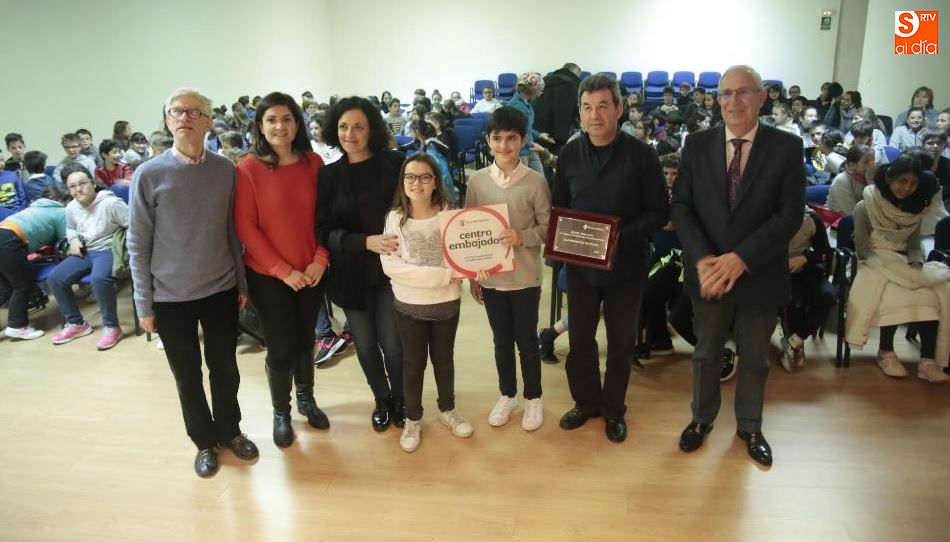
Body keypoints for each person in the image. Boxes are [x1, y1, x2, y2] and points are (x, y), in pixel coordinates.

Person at [672, 65, 805, 467]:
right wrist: (703, 258)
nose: (733, 101)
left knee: (755, 358)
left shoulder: (785, 147)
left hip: (759, 273)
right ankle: (701, 419)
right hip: (710, 273)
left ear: (762, 98)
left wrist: (741, 257)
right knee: (706, 354)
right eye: (726, 93)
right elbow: (681, 207)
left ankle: (749, 425)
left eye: (744, 92)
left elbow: (789, 215)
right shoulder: (696, 145)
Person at [128, 88, 259, 478]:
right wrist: (143, 306)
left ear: (208, 121)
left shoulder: (225, 170)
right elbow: (137, 243)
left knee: (225, 369)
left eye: (194, 112)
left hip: (219, 289)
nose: (185, 117)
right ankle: (204, 441)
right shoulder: (148, 175)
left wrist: (242, 283)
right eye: (176, 111)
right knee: (187, 375)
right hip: (170, 298)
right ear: (168, 120)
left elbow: (232, 232)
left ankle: (230, 431)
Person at [552, 74, 670, 443]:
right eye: (587, 107)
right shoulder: (569, 154)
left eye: (603, 106)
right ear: (579, 113)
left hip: (627, 266)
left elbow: (658, 212)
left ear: (619, 109)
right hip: (581, 267)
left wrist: (618, 236)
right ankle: (586, 403)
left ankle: (613, 410)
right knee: (581, 341)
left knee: (620, 344)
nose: (594, 115)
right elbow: (560, 206)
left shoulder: (643, 156)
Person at [234, 91, 331, 448]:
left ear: (297, 123)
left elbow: (326, 217)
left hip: (312, 271)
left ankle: (306, 399)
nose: (280, 126)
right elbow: (246, 227)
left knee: (306, 339)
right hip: (269, 276)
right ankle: (281, 411)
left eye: (286, 119)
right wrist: (282, 270)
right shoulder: (247, 168)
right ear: (260, 126)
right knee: (280, 347)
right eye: (271, 120)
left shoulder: (313, 163)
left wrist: (321, 258)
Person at [316, 96, 406, 432]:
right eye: (342, 126)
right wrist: (363, 242)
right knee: (366, 346)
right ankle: (381, 399)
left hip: (392, 272)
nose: (349, 133)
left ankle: (402, 399)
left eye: (358, 126)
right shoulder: (328, 176)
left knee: (394, 346)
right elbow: (323, 232)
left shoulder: (395, 163)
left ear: (372, 130)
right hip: (351, 274)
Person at [466, 106, 551, 432]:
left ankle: (534, 397)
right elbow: (468, 231)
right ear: (488, 140)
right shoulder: (477, 181)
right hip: (491, 278)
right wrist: (473, 275)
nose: (504, 145)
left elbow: (548, 229)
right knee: (501, 341)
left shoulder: (536, 182)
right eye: (497, 138)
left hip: (525, 277)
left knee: (527, 342)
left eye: (511, 139)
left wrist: (521, 236)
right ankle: (508, 394)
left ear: (524, 140)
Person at [381, 154, 472, 452]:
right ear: (402, 182)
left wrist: (472, 270)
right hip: (409, 306)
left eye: (424, 177)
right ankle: (413, 417)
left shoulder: (450, 214)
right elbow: (392, 267)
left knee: (444, 361)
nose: (416, 183)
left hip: (446, 304)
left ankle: (448, 410)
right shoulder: (395, 218)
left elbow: (462, 258)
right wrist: (444, 275)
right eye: (410, 177)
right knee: (413, 364)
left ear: (435, 181)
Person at [846, 156, 950, 383]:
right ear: (889, 178)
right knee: (892, 295)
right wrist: (890, 269)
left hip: (902, 262)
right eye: (902, 181)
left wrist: (915, 265)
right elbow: (862, 248)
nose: (907, 188)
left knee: (931, 296)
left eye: (913, 184)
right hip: (873, 262)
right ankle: (886, 353)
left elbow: (913, 246)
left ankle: (927, 361)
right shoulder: (866, 204)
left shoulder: (915, 209)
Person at [47, 163, 129, 350]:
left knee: (99, 279)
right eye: (72, 186)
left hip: (108, 249)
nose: (78, 189)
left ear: (92, 183)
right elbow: (70, 228)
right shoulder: (71, 207)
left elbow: (132, 225)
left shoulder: (110, 203)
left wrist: (127, 248)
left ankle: (112, 327)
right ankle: (77, 324)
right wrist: (74, 239)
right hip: (85, 251)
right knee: (56, 278)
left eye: (82, 183)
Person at [0, 184, 70, 340]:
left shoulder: (35, 206)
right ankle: (17, 327)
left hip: (3, 233)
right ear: (61, 200)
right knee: (22, 285)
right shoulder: (61, 211)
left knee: (4, 289)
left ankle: (15, 324)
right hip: (10, 241)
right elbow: (64, 238)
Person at [778, 208, 836, 372]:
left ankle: (795, 340)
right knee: (796, 299)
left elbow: (825, 252)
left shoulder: (811, 218)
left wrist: (805, 258)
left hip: (807, 268)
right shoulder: (766, 216)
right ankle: (794, 341)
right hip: (779, 272)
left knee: (828, 296)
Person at [509, 72, 556, 174]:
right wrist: (534, 144)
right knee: (524, 184)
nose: (540, 93)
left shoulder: (524, 103)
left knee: (539, 181)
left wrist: (539, 135)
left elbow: (527, 128)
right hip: (521, 151)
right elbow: (517, 132)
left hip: (529, 148)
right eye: (539, 90)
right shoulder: (517, 106)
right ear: (531, 90)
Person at [533, 62, 582, 154]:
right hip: (561, 131)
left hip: (539, 128)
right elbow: (578, 109)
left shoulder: (544, 80)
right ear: (576, 74)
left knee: (540, 157)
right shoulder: (575, 85)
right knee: (557, 160)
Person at [826, 145, 876, 214]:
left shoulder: (872, 175)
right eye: (866, 162)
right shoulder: (842, 180)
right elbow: (854, 214)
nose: (872, 165)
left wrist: (871, 180)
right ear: (852, 165)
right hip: (839, 220)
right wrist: (870, 181)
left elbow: (880, 205)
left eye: (873, 160)